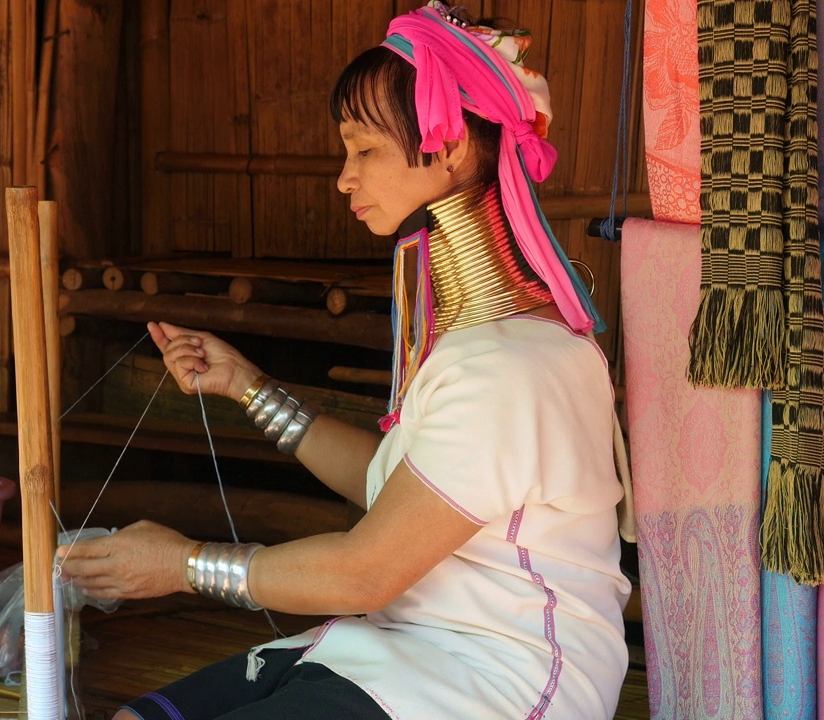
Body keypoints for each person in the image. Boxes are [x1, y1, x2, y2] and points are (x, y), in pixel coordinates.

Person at [57, 2, 631, 718]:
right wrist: (247, 387)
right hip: (398, 648)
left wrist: (182, 565)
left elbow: (368, 573)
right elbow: (396, 492)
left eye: (364, 150)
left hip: (495, 676)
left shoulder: (517, 366)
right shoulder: (478, 343)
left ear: (449, 151)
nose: (344, 179)